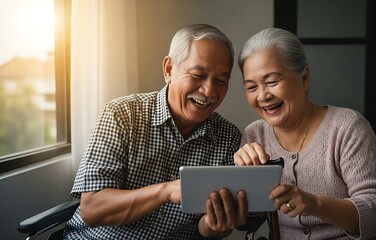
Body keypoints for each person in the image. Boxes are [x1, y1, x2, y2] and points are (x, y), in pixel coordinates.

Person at [63, 24, 248, 240]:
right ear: (169, 69)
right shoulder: (122, 114)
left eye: (220, 81)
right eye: (198, 75)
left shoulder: (229, 138)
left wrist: (213, 225)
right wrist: (166, 192)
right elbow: (92, 209)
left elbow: (208, 232)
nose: (209, 91)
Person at [233, 28, 376, 239]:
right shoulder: (254, 136)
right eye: (251, 87)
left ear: (304, 77)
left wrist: (315, 204)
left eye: (272, 82)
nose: (262, 96)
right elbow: (249, 221)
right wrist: (244, 186)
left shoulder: (347, 127)